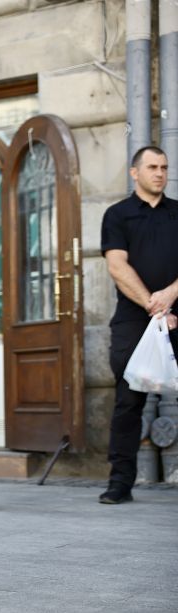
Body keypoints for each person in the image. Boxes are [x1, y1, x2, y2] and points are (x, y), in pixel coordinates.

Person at [100, 146, 178, 504]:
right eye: (152, 167)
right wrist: (154, 306)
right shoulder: (118, 215)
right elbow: (117, 266)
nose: (159, 173)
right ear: (135, 173)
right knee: (129, 402)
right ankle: (120, 483)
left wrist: (171, 295)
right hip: (135, 321)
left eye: (164, 167)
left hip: (176, 311)